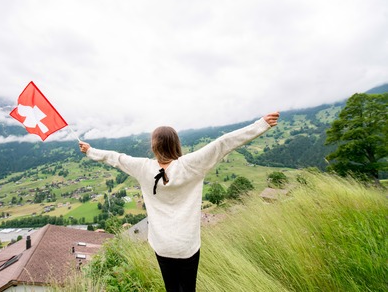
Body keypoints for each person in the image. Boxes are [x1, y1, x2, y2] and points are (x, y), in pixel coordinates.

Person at [79, 112, 280, 292]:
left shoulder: (142, 167)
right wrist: (261, 125)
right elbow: (223, 143)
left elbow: (115, 158)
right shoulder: (191, 165)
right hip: (187, 245)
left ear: (154, 146)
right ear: (176, 144)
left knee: (171, 288)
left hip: (162, 245)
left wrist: (89, 150)